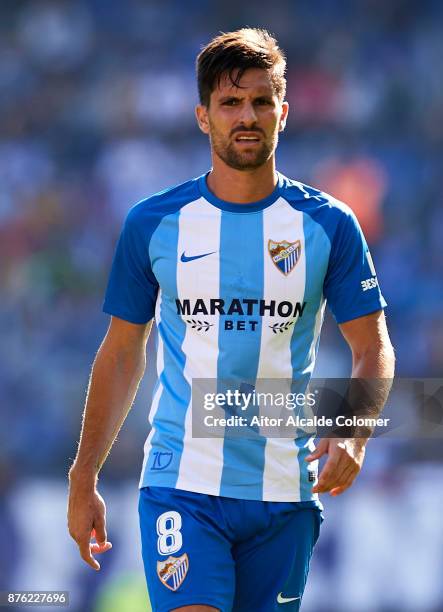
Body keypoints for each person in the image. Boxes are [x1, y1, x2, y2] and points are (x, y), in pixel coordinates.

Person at [68, 28, 395, 612]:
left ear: (284, 113)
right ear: (202, 116)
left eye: (261, 101)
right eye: (230, 102)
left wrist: (353, 429)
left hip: (284, 492)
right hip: (182, 485)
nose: (247, 116)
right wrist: (83, 473)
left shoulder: (330, 225)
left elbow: (373, 346)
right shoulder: (153, 223)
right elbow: (121, 354)